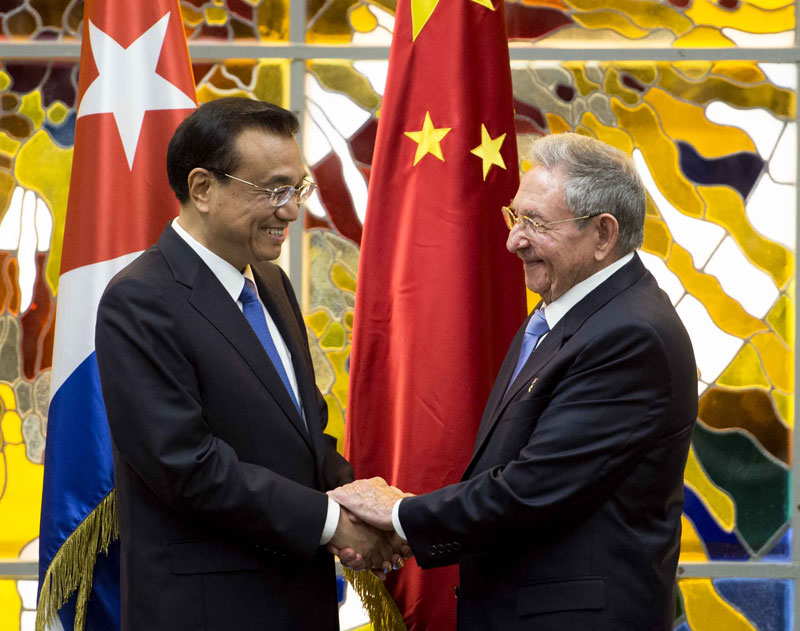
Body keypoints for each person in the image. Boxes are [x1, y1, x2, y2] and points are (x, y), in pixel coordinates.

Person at [331, 132, 698, 631]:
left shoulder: (630, 334)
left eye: (536, 223)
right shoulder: (567, 311)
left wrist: (399, 514)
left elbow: (532, 490)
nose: (514, 239)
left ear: (603, 235)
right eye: (516, 216)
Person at [95, 97, 400, 631]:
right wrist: (333, 523)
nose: (292, 209)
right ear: (203, 189)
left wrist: (362, 504)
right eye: (275, 190)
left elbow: (302, 435)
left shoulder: (272, 284)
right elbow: (186, 466)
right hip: (208, 611)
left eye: (298, 188)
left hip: (297, 600)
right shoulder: (140, 300)